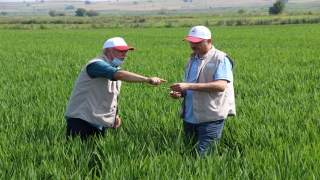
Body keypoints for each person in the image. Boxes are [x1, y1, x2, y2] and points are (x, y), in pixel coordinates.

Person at [65, 37, 166, 141]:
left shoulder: (114, 68)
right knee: (79, 153)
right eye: (121, 51)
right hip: (82, 119)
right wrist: (147, 79)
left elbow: (112, 95)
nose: (124, 55)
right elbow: (120, 75)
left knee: (95, 154)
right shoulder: (96, 64)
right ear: (108, 51)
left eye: (125, 52)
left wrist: (114, 115)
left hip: (98, 120)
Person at [169, 26, 236, 156]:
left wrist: (188, 87)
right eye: (190, 41)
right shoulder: (192, 59)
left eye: (197, 42)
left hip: (210, 117)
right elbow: (188, 85)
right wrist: (180, 93)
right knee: (188, 154)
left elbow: (221, 86)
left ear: (209, 41)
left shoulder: (220, 59)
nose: (193, 45)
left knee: (203, 158)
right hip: (189, 116)